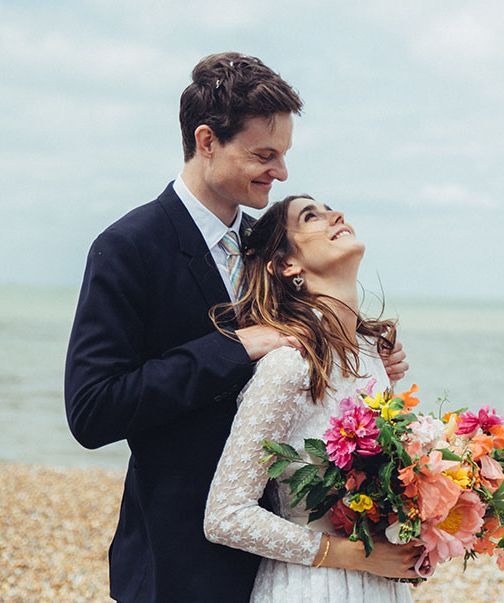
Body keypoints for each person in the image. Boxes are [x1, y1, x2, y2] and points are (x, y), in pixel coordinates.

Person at [64, 53, 408, 602]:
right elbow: (92, 410)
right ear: (207, 141)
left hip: (293, 560)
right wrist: (231, 349)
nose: (281, 173)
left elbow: (309, 360)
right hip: (180, 559)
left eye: (284, 155)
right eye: (263, 155)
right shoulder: (128, 247)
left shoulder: (269, 246)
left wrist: (364, 360)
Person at [204, 195, 425, 602]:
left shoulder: (375, 356)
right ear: (289, 266)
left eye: (329, 209)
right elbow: (225, 516)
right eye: (311, 216)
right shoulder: (290, 366)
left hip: (380, 587)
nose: (335, 215)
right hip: (312, 587)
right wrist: (352, 555)